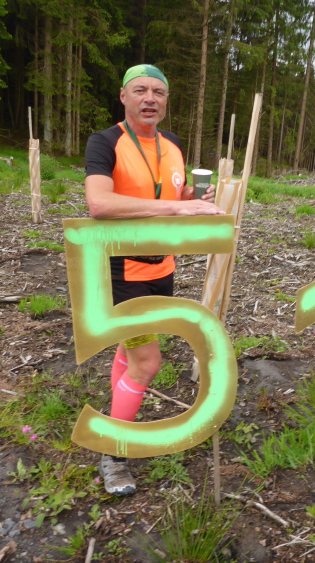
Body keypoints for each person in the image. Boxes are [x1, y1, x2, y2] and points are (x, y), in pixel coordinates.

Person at [84, 64, 224, 496]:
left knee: (130, 352)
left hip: (163, 268)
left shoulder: (173, 144)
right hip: (122, 270)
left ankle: (117, 412)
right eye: (141, 90)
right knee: (148, 363)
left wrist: (192, 199)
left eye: (158, 92)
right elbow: (99, 204)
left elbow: (169, 197)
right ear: (123, 96)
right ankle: (114, 453)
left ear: (166, 101)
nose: (150, 99)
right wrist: (178, 209)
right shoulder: (106, 142)